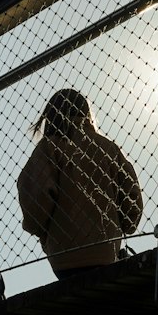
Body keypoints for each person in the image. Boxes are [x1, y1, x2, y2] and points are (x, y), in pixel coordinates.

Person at [17, 88, 143, 280]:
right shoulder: (108, 148)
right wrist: (124, 224)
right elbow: (132, 199)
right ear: (87, 114)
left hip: (64, 258)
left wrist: (40, 229)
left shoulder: (49, 148)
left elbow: (36, 197)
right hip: (106, 251)